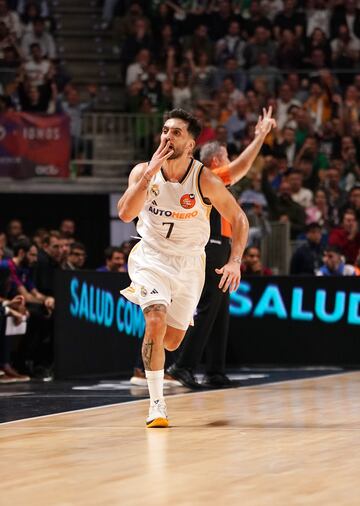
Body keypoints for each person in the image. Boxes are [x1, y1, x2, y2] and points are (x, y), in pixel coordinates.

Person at [118, 108, 249, 428]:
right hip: (151, 257)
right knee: (155, 317)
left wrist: (235, 261)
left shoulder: (203, 177)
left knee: (172, 340)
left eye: (176, 132)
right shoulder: (142, 172)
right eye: (165, 130)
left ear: (191, 144)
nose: (167, 136)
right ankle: (156, 405)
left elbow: (240, 219)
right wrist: (149, 173)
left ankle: (159, 349)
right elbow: (124, 214)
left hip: (190, 263)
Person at [166, 108, 276, 389]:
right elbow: (242, 166)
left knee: (219, 311)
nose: (229, 161)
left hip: (222, 246)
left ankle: (215, 371)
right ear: (216, 160)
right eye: (226, 156)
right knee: (208, 308)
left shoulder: (211, 179)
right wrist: (261, 136)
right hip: (210, 245)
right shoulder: (210, 175)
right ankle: (182, 366)